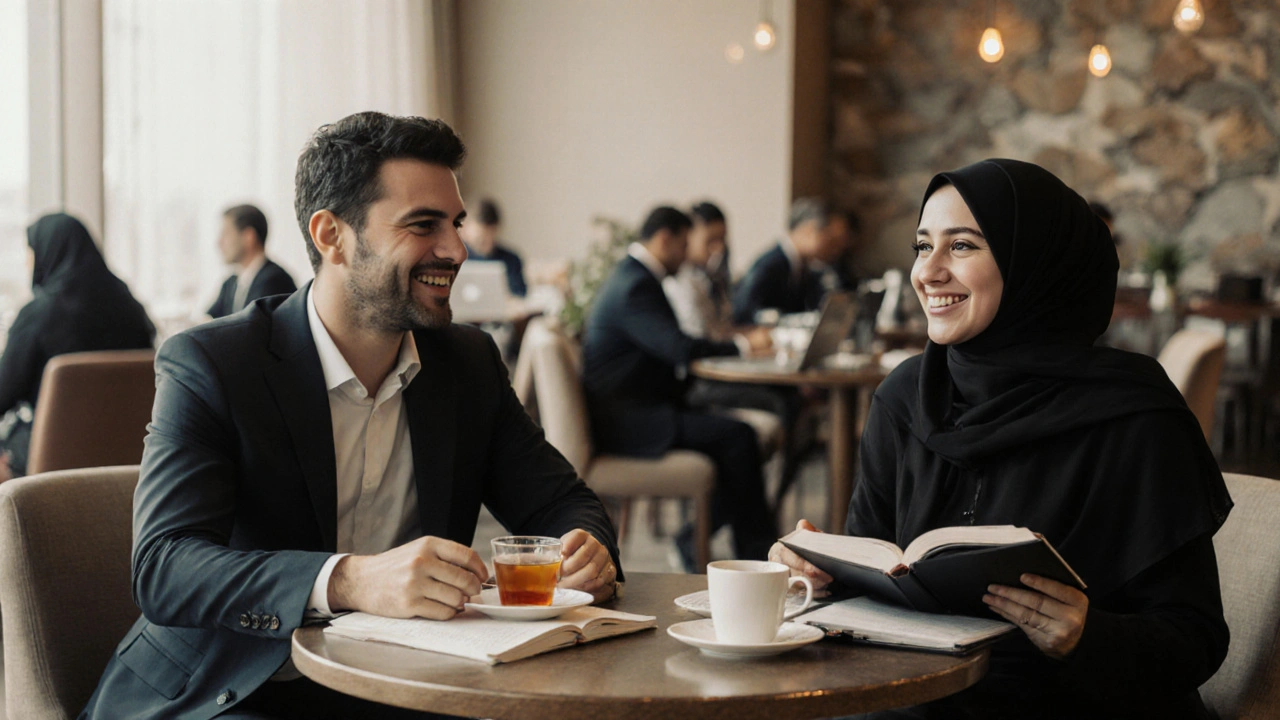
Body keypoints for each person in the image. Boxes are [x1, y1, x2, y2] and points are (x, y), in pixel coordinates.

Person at [80, 112, 621, 720]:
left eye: (456, 224)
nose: (456, 250)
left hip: (403, 686)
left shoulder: (465, 363)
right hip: (232, 690)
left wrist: (587, 548)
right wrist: (349, 581)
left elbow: (563, 504)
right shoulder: (213, 363)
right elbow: (166, 567)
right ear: (331, 235)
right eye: (424, 225)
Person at [771, 159, 1232, 719]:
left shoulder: (1134, 417)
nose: (928, 273)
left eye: (961, 246)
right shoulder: (904, 398)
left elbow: (1194, 641)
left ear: (1033, 264)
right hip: (926, 694)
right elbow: (871, 584)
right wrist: (821, 577)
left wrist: (1085, 636)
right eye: (922, 246)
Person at [582, 206, 774, 569]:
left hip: (641, 409)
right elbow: (679, 349)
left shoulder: (632, 276)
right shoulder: (635, 285)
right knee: (739, 438)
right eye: (684, 245)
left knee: (736, 439)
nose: (687, 255)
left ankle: (731, 546)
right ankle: (757, 554)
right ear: (664, 239)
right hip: (631, 423)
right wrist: (746, 346)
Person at [0, 213, 155, 479]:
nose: (28, 263)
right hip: (131, 459)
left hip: (49, 463)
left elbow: (4, 393)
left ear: (48, 253)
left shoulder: (39, 314)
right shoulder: (131, 308)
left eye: (31, 253)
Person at [731, 197, 850, 325]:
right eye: (829, 238)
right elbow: (744, 310)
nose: (832, 247)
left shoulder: (806, 267)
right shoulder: (770, 264)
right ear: (809, 229)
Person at [207, 204, 298, 318]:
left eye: (226, 234)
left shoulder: (275, 280)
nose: (219, 243)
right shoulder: (231, 283)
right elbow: (208, 319)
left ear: (249, 237)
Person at [663, 201, 733, 341]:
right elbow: (699, 336)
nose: (718, 249)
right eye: (710, 240)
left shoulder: (713, 275)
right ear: (689, 235)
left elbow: (724, 327)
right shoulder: (677, 279)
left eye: (722, 240)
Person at [460, 197, 526, 297]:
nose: (487, 246)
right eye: (480, 241)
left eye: (491, 239)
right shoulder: (452, 259)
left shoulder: (511, 260)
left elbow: (520, 296)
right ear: (464, 229)